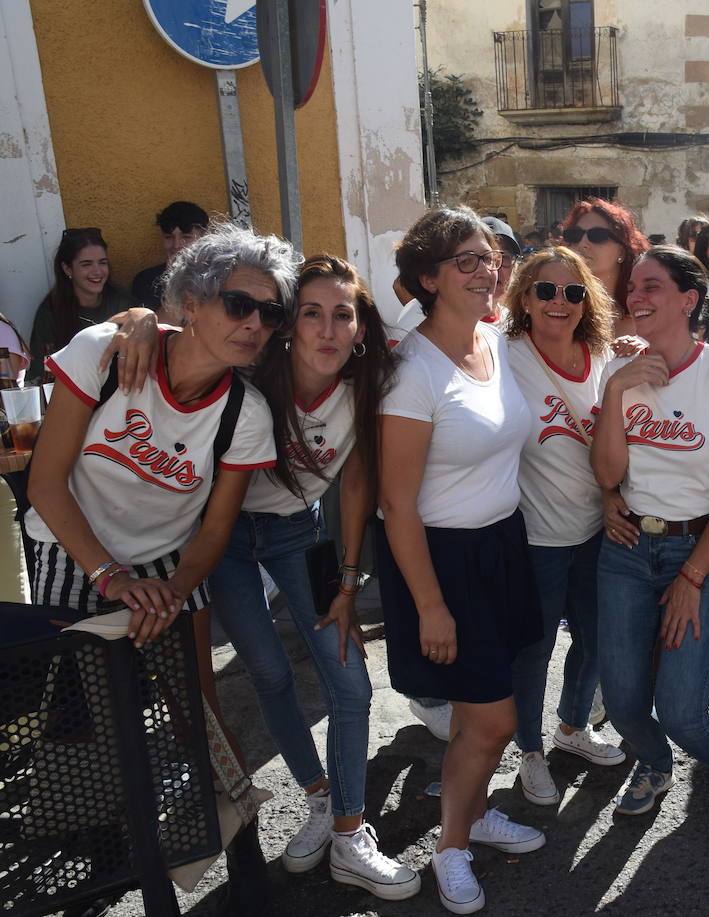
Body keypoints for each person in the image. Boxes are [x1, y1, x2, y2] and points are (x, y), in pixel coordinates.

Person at [25, 222, 292, 907]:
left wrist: (172, 589)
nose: (255, 323)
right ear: (191, 303)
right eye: (239, 304)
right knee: (88, 717)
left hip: (168, 562)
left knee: (194, 710)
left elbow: (216, 527)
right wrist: (110, 578)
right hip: (70, 549)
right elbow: (46, 484)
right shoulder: (106, 353)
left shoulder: (246, 413)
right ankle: (112, 856)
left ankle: (243, 847)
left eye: (270, 312)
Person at [202, 254, 417, 899]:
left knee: (349, 679)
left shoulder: (369, 382)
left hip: (301, 535)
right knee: (266, 671)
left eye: (342, 315)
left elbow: (354, 484)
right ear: (289, 324)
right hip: (226, 540)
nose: (327, 330)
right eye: (311, 313)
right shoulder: (250, 372)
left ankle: (350, 833)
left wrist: (349, 582)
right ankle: (319, 797)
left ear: (359, 326)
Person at [380, 206, 544, 914]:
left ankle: (471, 817)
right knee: (495, 718)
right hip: (443, 561)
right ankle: (451, 846)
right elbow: (396, 502)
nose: (487, 270)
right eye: (466, 261)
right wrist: (430, 604)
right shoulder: (410, 370)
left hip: (501, 545)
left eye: (490, 257)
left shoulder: (495, 337)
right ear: (428, 278)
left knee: (485, 715)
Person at [592, 246, 709, 853]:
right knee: (619, 696)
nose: (636, 297)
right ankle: (652, 763)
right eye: (632, 288)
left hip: (704, 551)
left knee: (682, 711)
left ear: (689, 300)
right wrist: (616, 390)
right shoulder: (620, 369)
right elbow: (608, 472)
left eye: (652, 286)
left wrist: (691, 578)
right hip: (626, 549)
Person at [503, 247, 625, 806]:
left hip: (600, 527)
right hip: (535, 537)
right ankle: (529, 751)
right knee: (534, 647)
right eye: (546, 291)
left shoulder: (602, 354)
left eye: (573, 292)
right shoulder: (504, 354)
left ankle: (573, 728)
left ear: (587, 301)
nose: (559, 302)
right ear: (524, 297)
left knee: (599, 638)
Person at [28, 228, 137, 373]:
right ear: (67, 269)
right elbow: (40, 372)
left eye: (102, 262)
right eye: (86, 264)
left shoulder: (123, 303)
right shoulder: (50, 313)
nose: (97, 271)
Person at [565, 198, 650, 337]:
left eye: (597, 236)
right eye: (575, 235)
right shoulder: (557, 307)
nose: (583, 243)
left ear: (622, 252)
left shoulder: (644, 310)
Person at [131, 201, 209, 316]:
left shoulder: (220, 276)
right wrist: (172, 282)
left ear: (204, 237)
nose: (176, 245)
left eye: (186, 237)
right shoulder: (146, 281)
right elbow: (151, 328)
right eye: (169, 237)